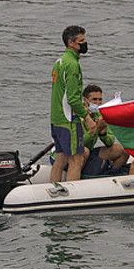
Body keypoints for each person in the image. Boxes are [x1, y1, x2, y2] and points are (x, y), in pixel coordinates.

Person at [49, 26, 90, 183]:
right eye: (82, 41)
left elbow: (62, 91)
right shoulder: (72, 64)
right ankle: (73, 197)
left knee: (60, 159)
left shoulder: (59, 61)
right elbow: (72, 99)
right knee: (76, 159)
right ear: (71, 43)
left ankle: (53, 190)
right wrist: (87, 117)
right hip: (68, 120)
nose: (85, 43)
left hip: (56, 118)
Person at [80, 84, 132, 177]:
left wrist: (102, 132)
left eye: (100, 99)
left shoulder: (99, 114)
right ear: (85, 100)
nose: (98, 102)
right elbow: (80, 143)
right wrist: (95, 129)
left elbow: (110, 142)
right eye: (94, 99)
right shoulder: (79, 115)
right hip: (74, 152)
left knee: (122, 150)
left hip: (90, 151)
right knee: (85, 150)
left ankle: (111, 175)